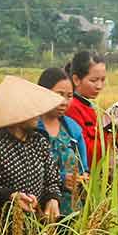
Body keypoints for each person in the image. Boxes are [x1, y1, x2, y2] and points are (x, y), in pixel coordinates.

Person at [0, 76, 69, 235]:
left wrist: (52, 199)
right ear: (15, 112)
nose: (38, 114)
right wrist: (11, 196)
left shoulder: (39, 141)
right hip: (1, 228)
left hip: (36, 227)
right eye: (31, 110)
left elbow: (52, 181)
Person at [36, 67, 90, 214]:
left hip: (72, 208)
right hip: (40, 207)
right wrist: (61, 179)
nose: (65, 101)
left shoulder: (73, 129)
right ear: (43, 92)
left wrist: (83, 177)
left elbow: (84, 166)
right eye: (59, 94)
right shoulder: (31, 127)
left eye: (70, 96)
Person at [65, 50, 107, 169]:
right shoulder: (71, 107)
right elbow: (88, 154)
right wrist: (112, 131)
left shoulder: (89, 106)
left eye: (103, 80)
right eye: (93, 80)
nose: (99, 86)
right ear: (76, 79)